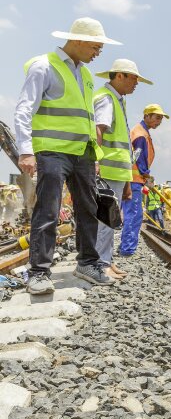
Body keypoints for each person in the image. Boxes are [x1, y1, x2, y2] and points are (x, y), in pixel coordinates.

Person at [14, 17, 122, 293]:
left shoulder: (84, 74)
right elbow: (24, 110)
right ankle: (39, 272)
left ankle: (87, 263)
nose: (98, 52)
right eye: (96, 46)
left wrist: (94, 156)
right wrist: (26, 151)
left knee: (88, 210)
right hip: (51, 152)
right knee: (47, 210)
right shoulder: (44, 66)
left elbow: (84, 119)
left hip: (82, 154)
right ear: (79, 41)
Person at [94, 58, 153, 280]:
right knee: (105, 220)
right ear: (120, 76)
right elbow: (98, 131)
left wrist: (127, 182)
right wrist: (96, 164)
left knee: (110, 220)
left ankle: (106, 261)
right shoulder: (107, 99)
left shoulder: (118, 100)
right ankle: (101, 264)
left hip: (117, 173)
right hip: (107, 171)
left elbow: (124, 148)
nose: (136, 83)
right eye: (134, 78)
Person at [119, 103, 168, 256]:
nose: (159, 121)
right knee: (133, 214)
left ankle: (127, 247)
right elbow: (138, 158)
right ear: (146, 116)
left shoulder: (142, 131)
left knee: (133, 214)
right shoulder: (140, 134)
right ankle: (127, 249)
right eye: (157, 117)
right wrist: (146, 175)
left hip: (133, 179)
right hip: (134, 179)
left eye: (161, 119)